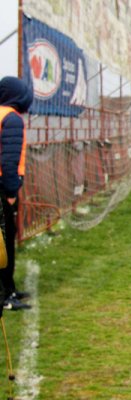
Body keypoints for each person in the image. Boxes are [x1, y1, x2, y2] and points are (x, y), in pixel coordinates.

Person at [0, 76, 33, 311]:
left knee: (4, 242)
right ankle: (5, 296)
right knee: (4, 243)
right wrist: (10, 191)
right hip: (3, 188)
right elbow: (9, 158)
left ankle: (9, 289)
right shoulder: (11, 119)